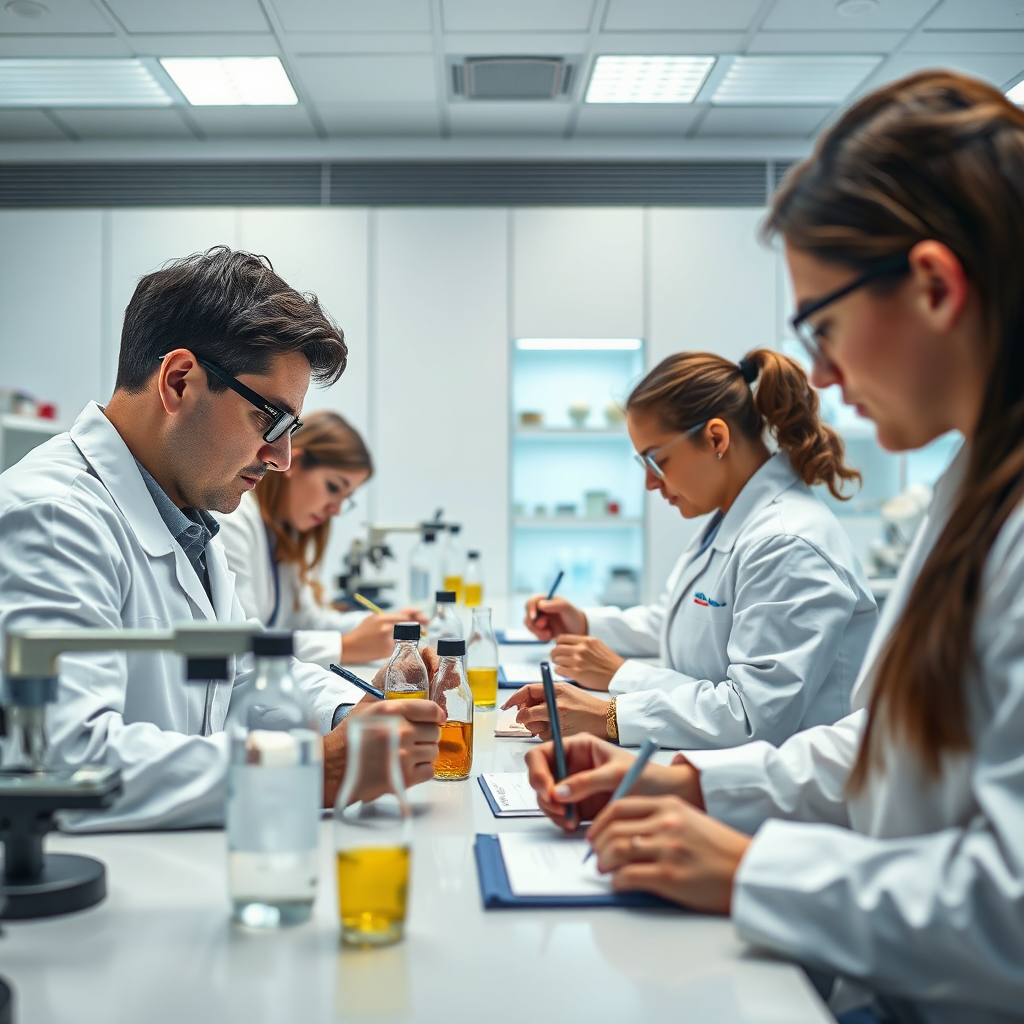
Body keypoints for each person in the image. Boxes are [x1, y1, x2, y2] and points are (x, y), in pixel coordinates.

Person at [524, 71, 1024, 1024]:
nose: (825, 373)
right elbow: (885, 748)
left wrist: (754, 870)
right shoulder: (971, 491)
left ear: (933, 285)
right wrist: (688, 782)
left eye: (824, 324)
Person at [0, 247, 443, 831]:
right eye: (271, 421)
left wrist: (353, 710)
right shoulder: (54, 514)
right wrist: (316, 770)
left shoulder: (186, 512)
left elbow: (240, 680)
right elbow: (61, 762)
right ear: (179, 381)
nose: (283, 459)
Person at [505, 348, 877, 749]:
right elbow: (680, 623)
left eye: (657, 461)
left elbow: (751, 715)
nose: (650, 483)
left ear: (716, 438)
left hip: (781, 797)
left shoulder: (787, 543)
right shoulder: (729, 520)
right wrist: (585, 623)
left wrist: (610, 706)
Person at [214, 409, 426, 666]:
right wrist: (347, 648)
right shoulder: (234, 522)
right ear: (296, 463)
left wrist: (387, 626)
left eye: (345, 498)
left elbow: (310, 621)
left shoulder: (285, 531)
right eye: (334, 487)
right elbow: (244, 645)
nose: (336, 509)